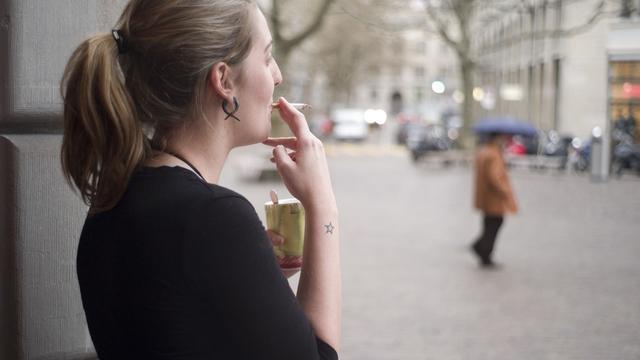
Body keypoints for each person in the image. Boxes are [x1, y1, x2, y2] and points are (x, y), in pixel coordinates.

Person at [60, 1, 340, 359]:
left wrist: (245, 278)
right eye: (267, 57)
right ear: (223, 79)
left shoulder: (117, 195)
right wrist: (323, 206)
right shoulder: (211, 217)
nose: (278, 75)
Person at [470, 133, 518, 268]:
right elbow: (495, 177)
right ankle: (483, 251)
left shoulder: (484, 152)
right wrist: (505, 191)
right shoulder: (493, 154)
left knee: (488, 225)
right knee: (494, 225)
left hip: (486, 198)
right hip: (494, 198)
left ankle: (482, 249)